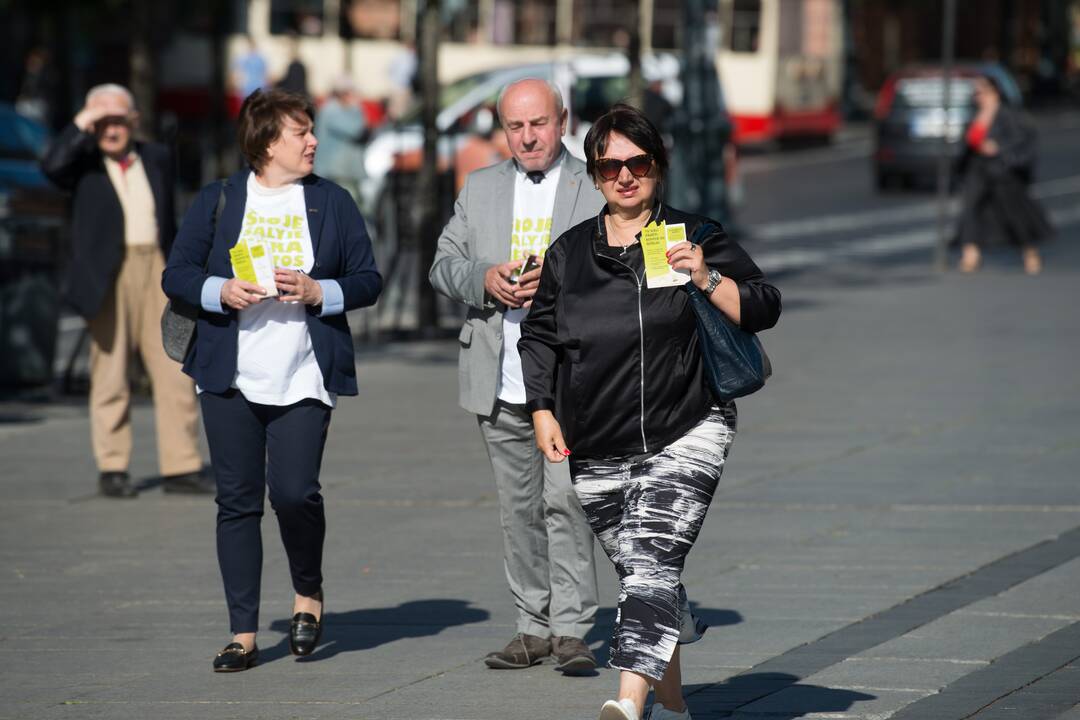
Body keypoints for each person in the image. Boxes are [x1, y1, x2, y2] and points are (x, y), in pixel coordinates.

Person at [519, 103, 781, 720]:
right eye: (610, 167)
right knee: (648, 576)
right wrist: (542, 411)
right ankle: (675, 701)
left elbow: (765, 304)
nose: (625, 176)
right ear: (593, 175)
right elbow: (539, 336)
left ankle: (628, 702)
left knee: (653, 559)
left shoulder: (693, 235)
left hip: (689, 425)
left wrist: (707, 276)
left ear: (657, 166)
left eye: (637, 163)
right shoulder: (568, 255)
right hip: (597, 441)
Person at [162, 88, 382, 671]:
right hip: (228, 374)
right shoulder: (220, 199)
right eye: (300, 132)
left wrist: (319, 291)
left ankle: (308, 592)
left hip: (304, 372)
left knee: (293, 493)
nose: (313, 141)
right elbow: (177, 273)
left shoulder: (331, 202)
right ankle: (242, 633)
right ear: (265, 142)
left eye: (311, 131)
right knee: (236, 503)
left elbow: (367, 279)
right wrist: (219, 291)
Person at [429, 78, 605, 674]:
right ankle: (531, 625)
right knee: (519, 508)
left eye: (539, 123)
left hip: (570, 379)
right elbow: (442, 264)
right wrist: (485, 278)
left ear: (562, 120)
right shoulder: (479, 188)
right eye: (515, 126)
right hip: (499, 373)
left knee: (568, 502)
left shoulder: (596, 184)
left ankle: (573, 629)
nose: (528, 137)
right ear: (502, 129)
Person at [41, 83, 211, 499]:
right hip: (107, 272)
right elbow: (51, 166)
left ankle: (182, 464)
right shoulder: (82, 162)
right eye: (103, 121)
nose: (111, 129)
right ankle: (113, 465)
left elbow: (171, 216)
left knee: (174, 364)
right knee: (110, 369)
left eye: (119, 120)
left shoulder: (154, 156)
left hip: (156, 263)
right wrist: (84, 121)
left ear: (134, 121)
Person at [955, 74, 1052, 275]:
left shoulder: (1009, 115)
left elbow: (1022, 142)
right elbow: (967, 142)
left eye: (982, 91)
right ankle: (970, 253)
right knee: (970, 209)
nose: (978, 96)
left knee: (1013, 213)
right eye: (976, 93)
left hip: (1002, 170)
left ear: (994, 91)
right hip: (978, 169)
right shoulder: (975, 115)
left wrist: (998, 148)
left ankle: (1029, 252)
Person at [313, 75, 367, 203]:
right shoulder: (332, 111)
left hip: (342, 171)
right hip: (337, 172)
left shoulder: (336, 109)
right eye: (351, 92)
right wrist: (356, 108)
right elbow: (356, 130)